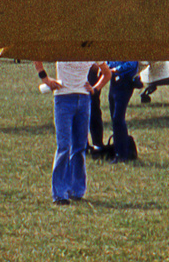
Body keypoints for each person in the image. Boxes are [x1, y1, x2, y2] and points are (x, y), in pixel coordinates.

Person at [36, 60, 111, 204]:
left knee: (79, 147)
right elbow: (36, 58)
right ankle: (59, 194)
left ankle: (77, 190)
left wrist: (95, 88)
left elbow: (106, 73)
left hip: (83, 100)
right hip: (63, 99)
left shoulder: (90, 49)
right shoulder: (63, 46)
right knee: (64, 146)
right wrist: (45, 78)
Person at [107, 61, 140, 162]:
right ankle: (119, 150)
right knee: (114, 117)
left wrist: (116, 69)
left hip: (125, 82)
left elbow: (132, 64)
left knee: (118, 118)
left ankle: (122, 153)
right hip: (114, 82)